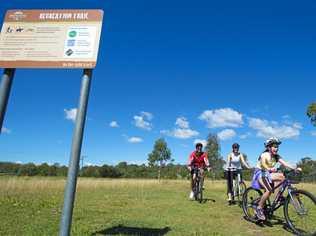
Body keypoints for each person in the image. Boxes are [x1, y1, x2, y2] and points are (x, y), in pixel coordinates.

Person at [251, 137, 301, 220]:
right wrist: (269, 168)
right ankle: (259, 208)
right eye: (274, 146)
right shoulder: (265, 155)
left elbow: (285, 163)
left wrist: (295, 168)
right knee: (269, 190)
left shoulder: (276, 156)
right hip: (261, 173)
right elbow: (263, 164)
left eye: (277, 147)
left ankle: (280, 197)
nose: (276, 148)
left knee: (283, 177)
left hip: (269, 173)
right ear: (268, 147)